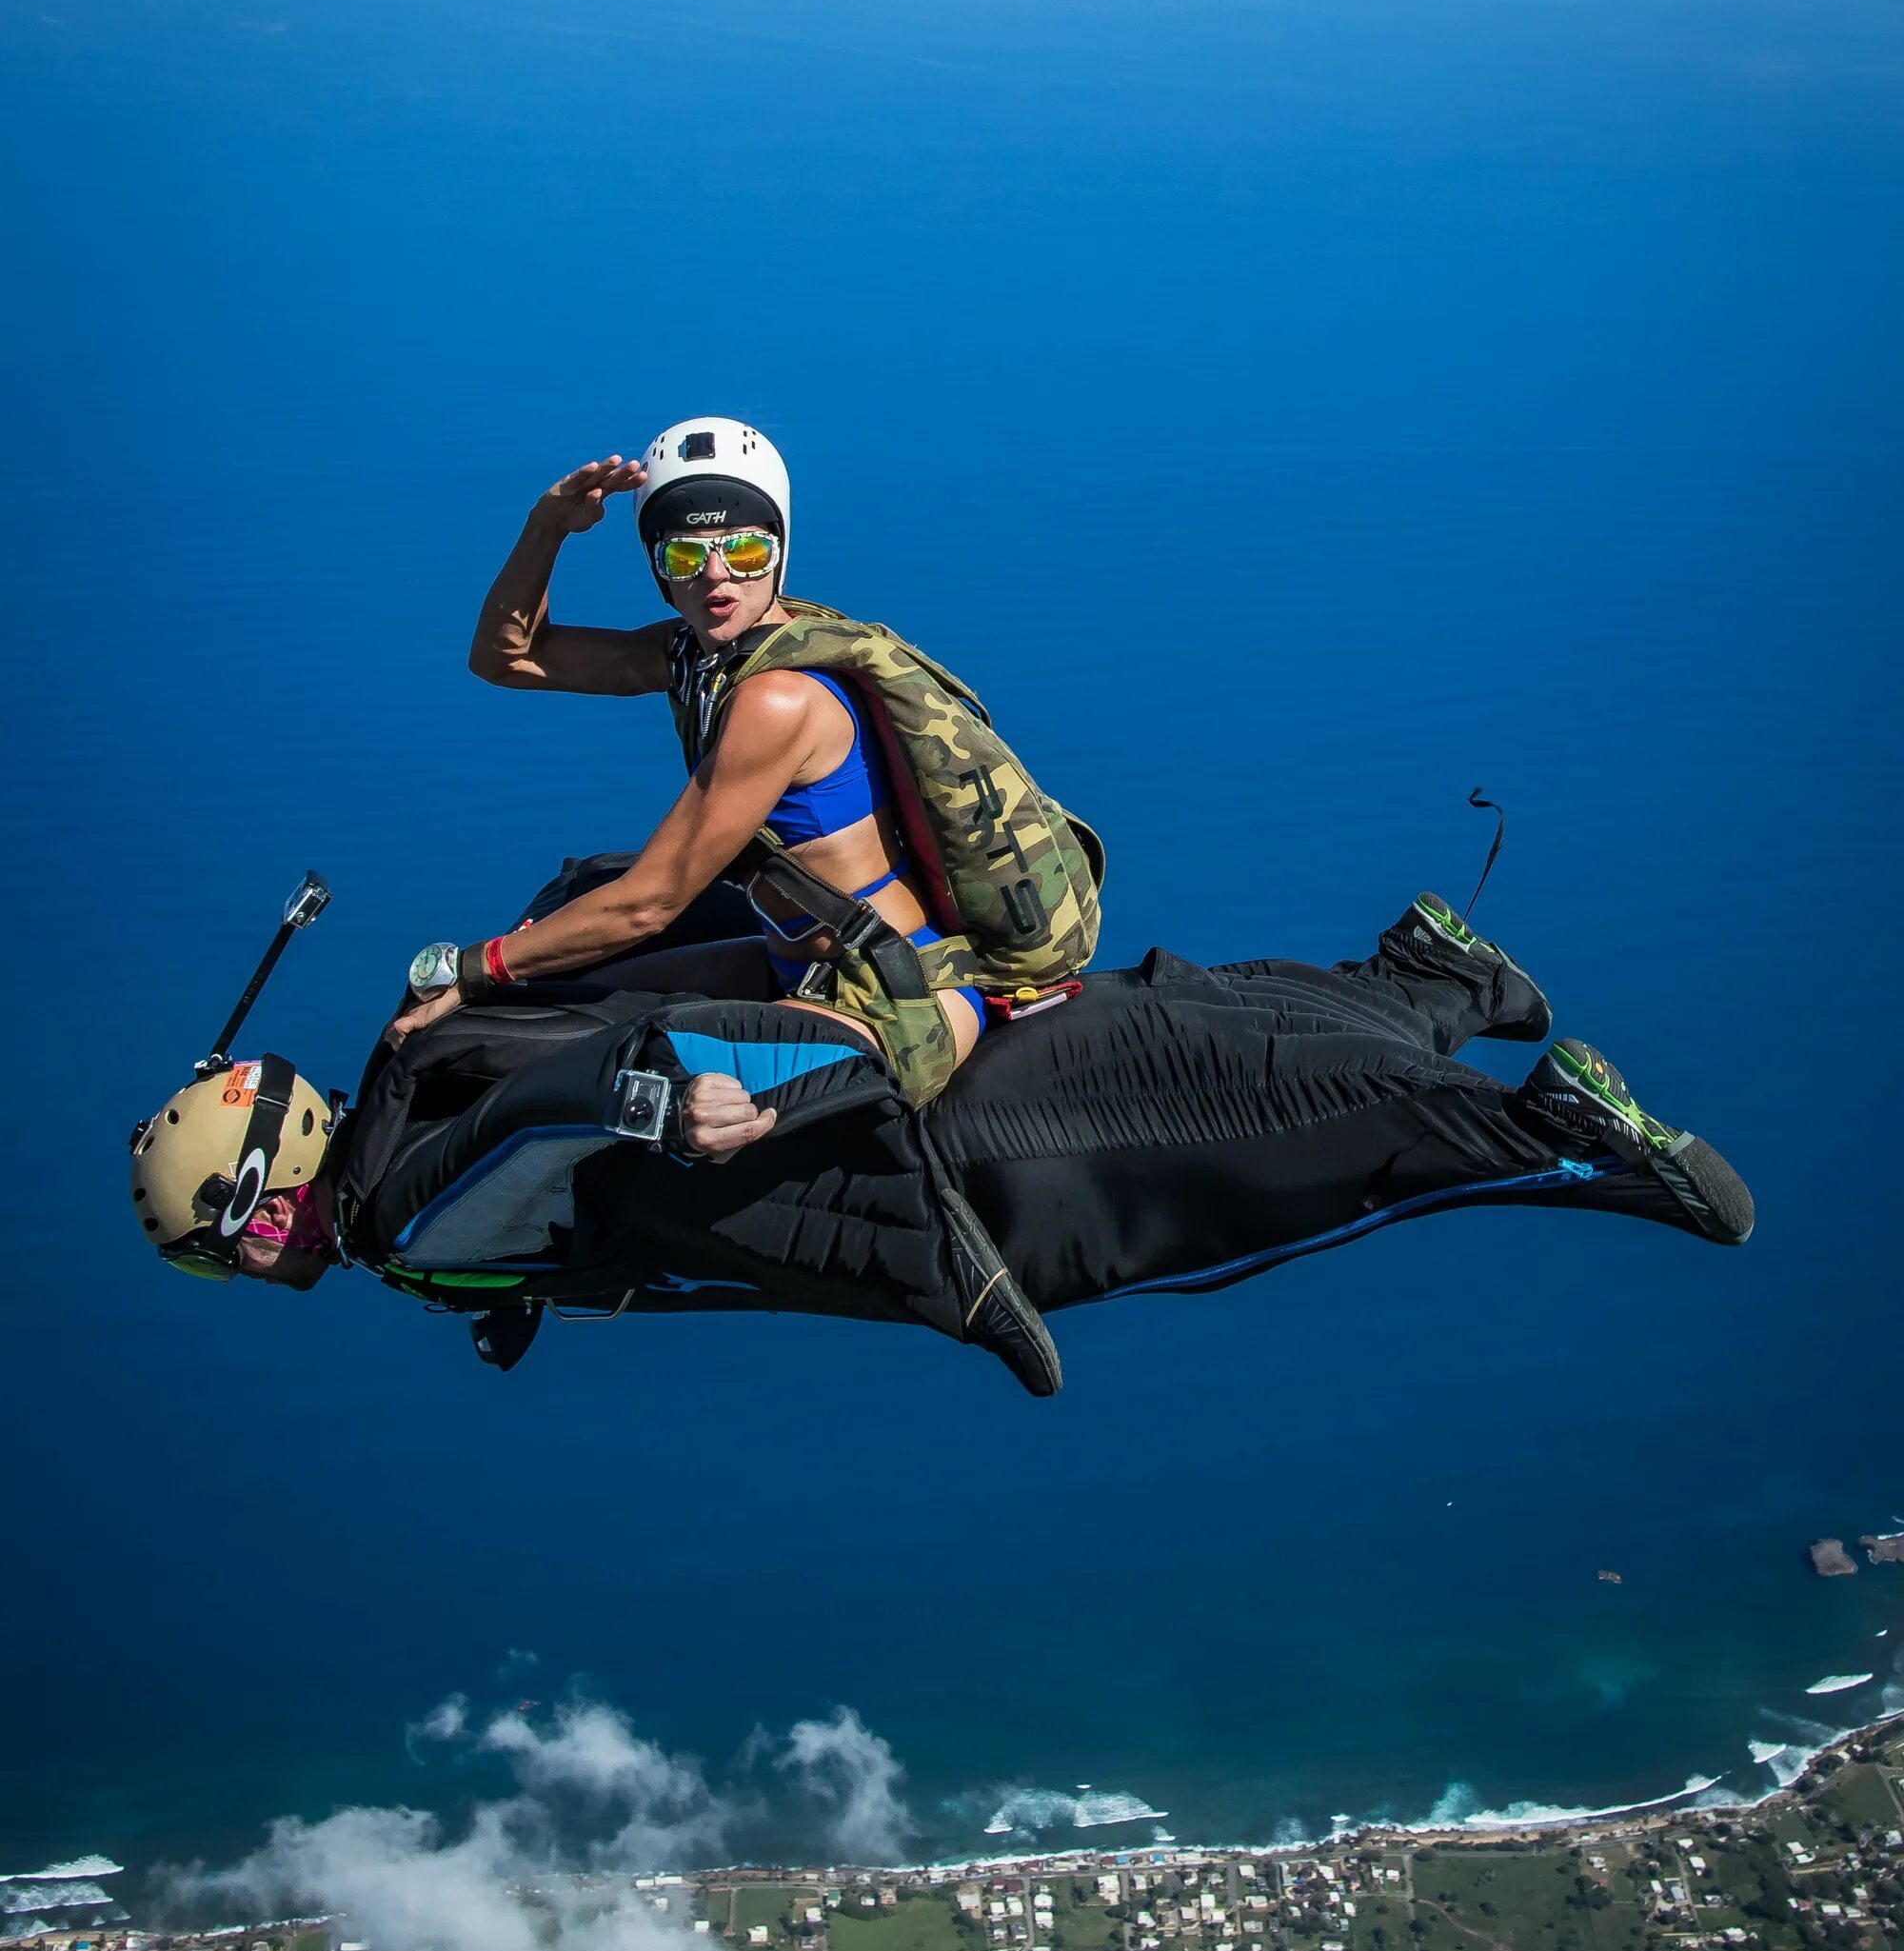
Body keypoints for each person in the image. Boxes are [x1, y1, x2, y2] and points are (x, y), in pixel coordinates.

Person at [129, 883, 1752, 1393]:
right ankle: (1443, 979)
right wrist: (524, 1293)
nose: (253, 1271)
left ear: (262, 1209)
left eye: (227, 1248)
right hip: (887, 1033)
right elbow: (544, 1088)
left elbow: (567, 1109)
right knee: (1163, 1024)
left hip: (857, 1150)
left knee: (1191, 1185)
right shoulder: (431, 1054)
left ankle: (1543, 1131)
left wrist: (663, 1099)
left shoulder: (408, 1218)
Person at [387, 418, 1101, 1108]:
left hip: (886, 1000)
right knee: (544, 1013)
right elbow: (507, 658)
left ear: (780, 552)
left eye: (747, 552)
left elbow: (648, 903)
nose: (719, 578)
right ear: (659, 571)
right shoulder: (698, 657)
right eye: (687, 557)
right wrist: (546, 528)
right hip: (796, 964)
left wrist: (472, 967)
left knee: (599, 1069)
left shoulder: (778, 699)